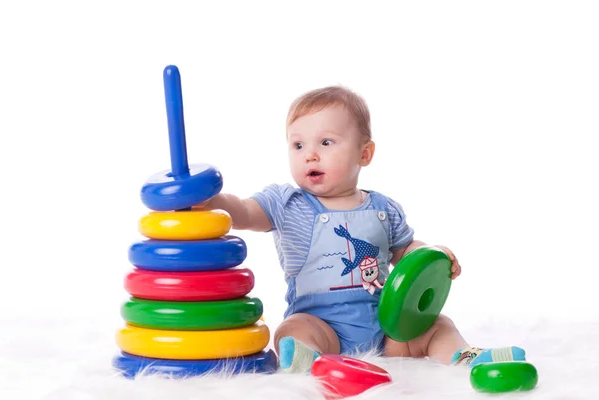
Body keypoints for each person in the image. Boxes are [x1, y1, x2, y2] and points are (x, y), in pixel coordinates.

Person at [197, 86, 525, 373]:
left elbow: (405, 252)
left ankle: (464, 355)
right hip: (322, 326)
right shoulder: (287, 203)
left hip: (386, 329)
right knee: (293, 329)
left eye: (326, 142)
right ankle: (309, 361)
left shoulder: (383, 208)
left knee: (437, 326)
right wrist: (210, 199)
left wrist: (431, 258)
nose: (310, 154)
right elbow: (242, 211)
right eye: (298, 145)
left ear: (364, 154)